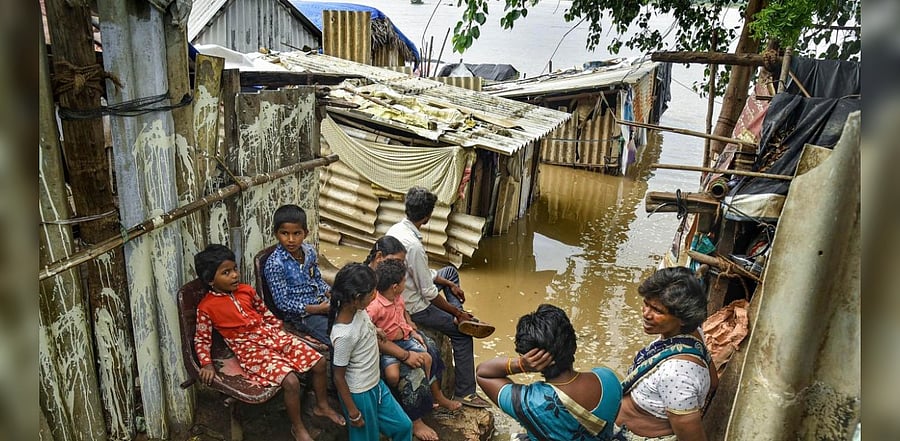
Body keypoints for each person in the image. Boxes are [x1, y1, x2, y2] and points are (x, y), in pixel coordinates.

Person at [193, 244, 344, 441]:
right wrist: (206, 363)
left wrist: (278, 327)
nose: (234, 275)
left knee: (319, 362)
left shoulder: (246, 291)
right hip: (249, 348)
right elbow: (202, 338)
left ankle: (321, 406)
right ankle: (298, 428)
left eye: (234, 269)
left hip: (271, 335)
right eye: (226, 272)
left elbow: (264, 312)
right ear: (210, 280)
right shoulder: (206, 307)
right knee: (291, 381)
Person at [386, 186, 493, 408]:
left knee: (449, 273)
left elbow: (424, 276)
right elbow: (428, 293)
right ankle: (466, 392)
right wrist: (456, 311)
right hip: (416, 306)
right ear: (427, 217)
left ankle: (460, 318)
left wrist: (446, 282)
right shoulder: (414, 246)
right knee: (463, 337)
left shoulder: (395, 230)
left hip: (407, 288)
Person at [476, 304, 622, 441]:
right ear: (572, 342)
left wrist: (520, 365)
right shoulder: (607, 379)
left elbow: (483, 373)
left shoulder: (529, 402)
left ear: (531, 359)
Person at [614, 267, 719, 441]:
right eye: (646, 304)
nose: (646, 314)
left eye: (657, 311)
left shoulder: (676, 375)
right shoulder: (693, 334)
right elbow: (714, 382)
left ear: (683, 317)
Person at [368, 257, 462, 441]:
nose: (406, 283)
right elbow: (369, 332)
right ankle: (415, 420)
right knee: (407, 375)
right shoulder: (375, 307)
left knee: (430, 351)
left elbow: (402, 314)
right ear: (395, 286)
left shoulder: (396, 297)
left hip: (404, 338)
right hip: (388, 347)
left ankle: (437, 395)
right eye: (404, 281)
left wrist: (411, 330)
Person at [329, 263, 413, 441]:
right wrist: (353, 412)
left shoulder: (357, 310)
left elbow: (363, 323)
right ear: (357, 298)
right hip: (360, 393)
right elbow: (338, 376)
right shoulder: (344, 335)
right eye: (372, 293)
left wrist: (374, 329)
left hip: (376, 384)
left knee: (404, 426)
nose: (376, 295)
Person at [263, 204, 332, 345]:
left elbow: (317, 279)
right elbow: (282, 303)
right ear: (276, 234)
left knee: (352, 324)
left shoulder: (310, 252)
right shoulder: (275, 264)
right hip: (301, 315)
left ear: (305, 233)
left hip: (321, 302)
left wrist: (331, 294)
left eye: (296, 233)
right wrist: (316, 309)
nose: (291, 240)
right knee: (337, 339)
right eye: (284, 233)